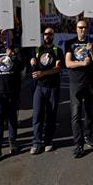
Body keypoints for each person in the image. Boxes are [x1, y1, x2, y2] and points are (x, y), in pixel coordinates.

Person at [65, 19, 93, 158]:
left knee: (89, 112)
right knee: (76, 114)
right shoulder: (70, 43)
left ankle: (88, 135)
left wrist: (91, 51)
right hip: (76, 83)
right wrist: (82, 63)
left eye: (85, 27)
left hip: (90, 82)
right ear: (76, 29)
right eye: (80, 27)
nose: (82, 30)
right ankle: (78, 144)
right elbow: (68, 63)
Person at [0, 29, 24, 163]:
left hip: (12, 91)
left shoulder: (17, 50)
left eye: (8, 33)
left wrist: (12, 56)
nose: (5, 36)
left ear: (12, 35)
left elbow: (21, 67)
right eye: (3, 33)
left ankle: (12, 142)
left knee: (12, 118)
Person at [29, 27, 64, 155]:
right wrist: (32, 64)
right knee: (37, 115)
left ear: (53, 36)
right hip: (39, 87)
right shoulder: (37, 50)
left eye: (50, 34)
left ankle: (48, 141)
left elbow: (58, 68)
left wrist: (43, 73)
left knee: (51, 115)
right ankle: (36, 142)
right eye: (45, 34)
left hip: (53, 87)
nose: (47, 36)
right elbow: (33, 69)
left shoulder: (57, 50)